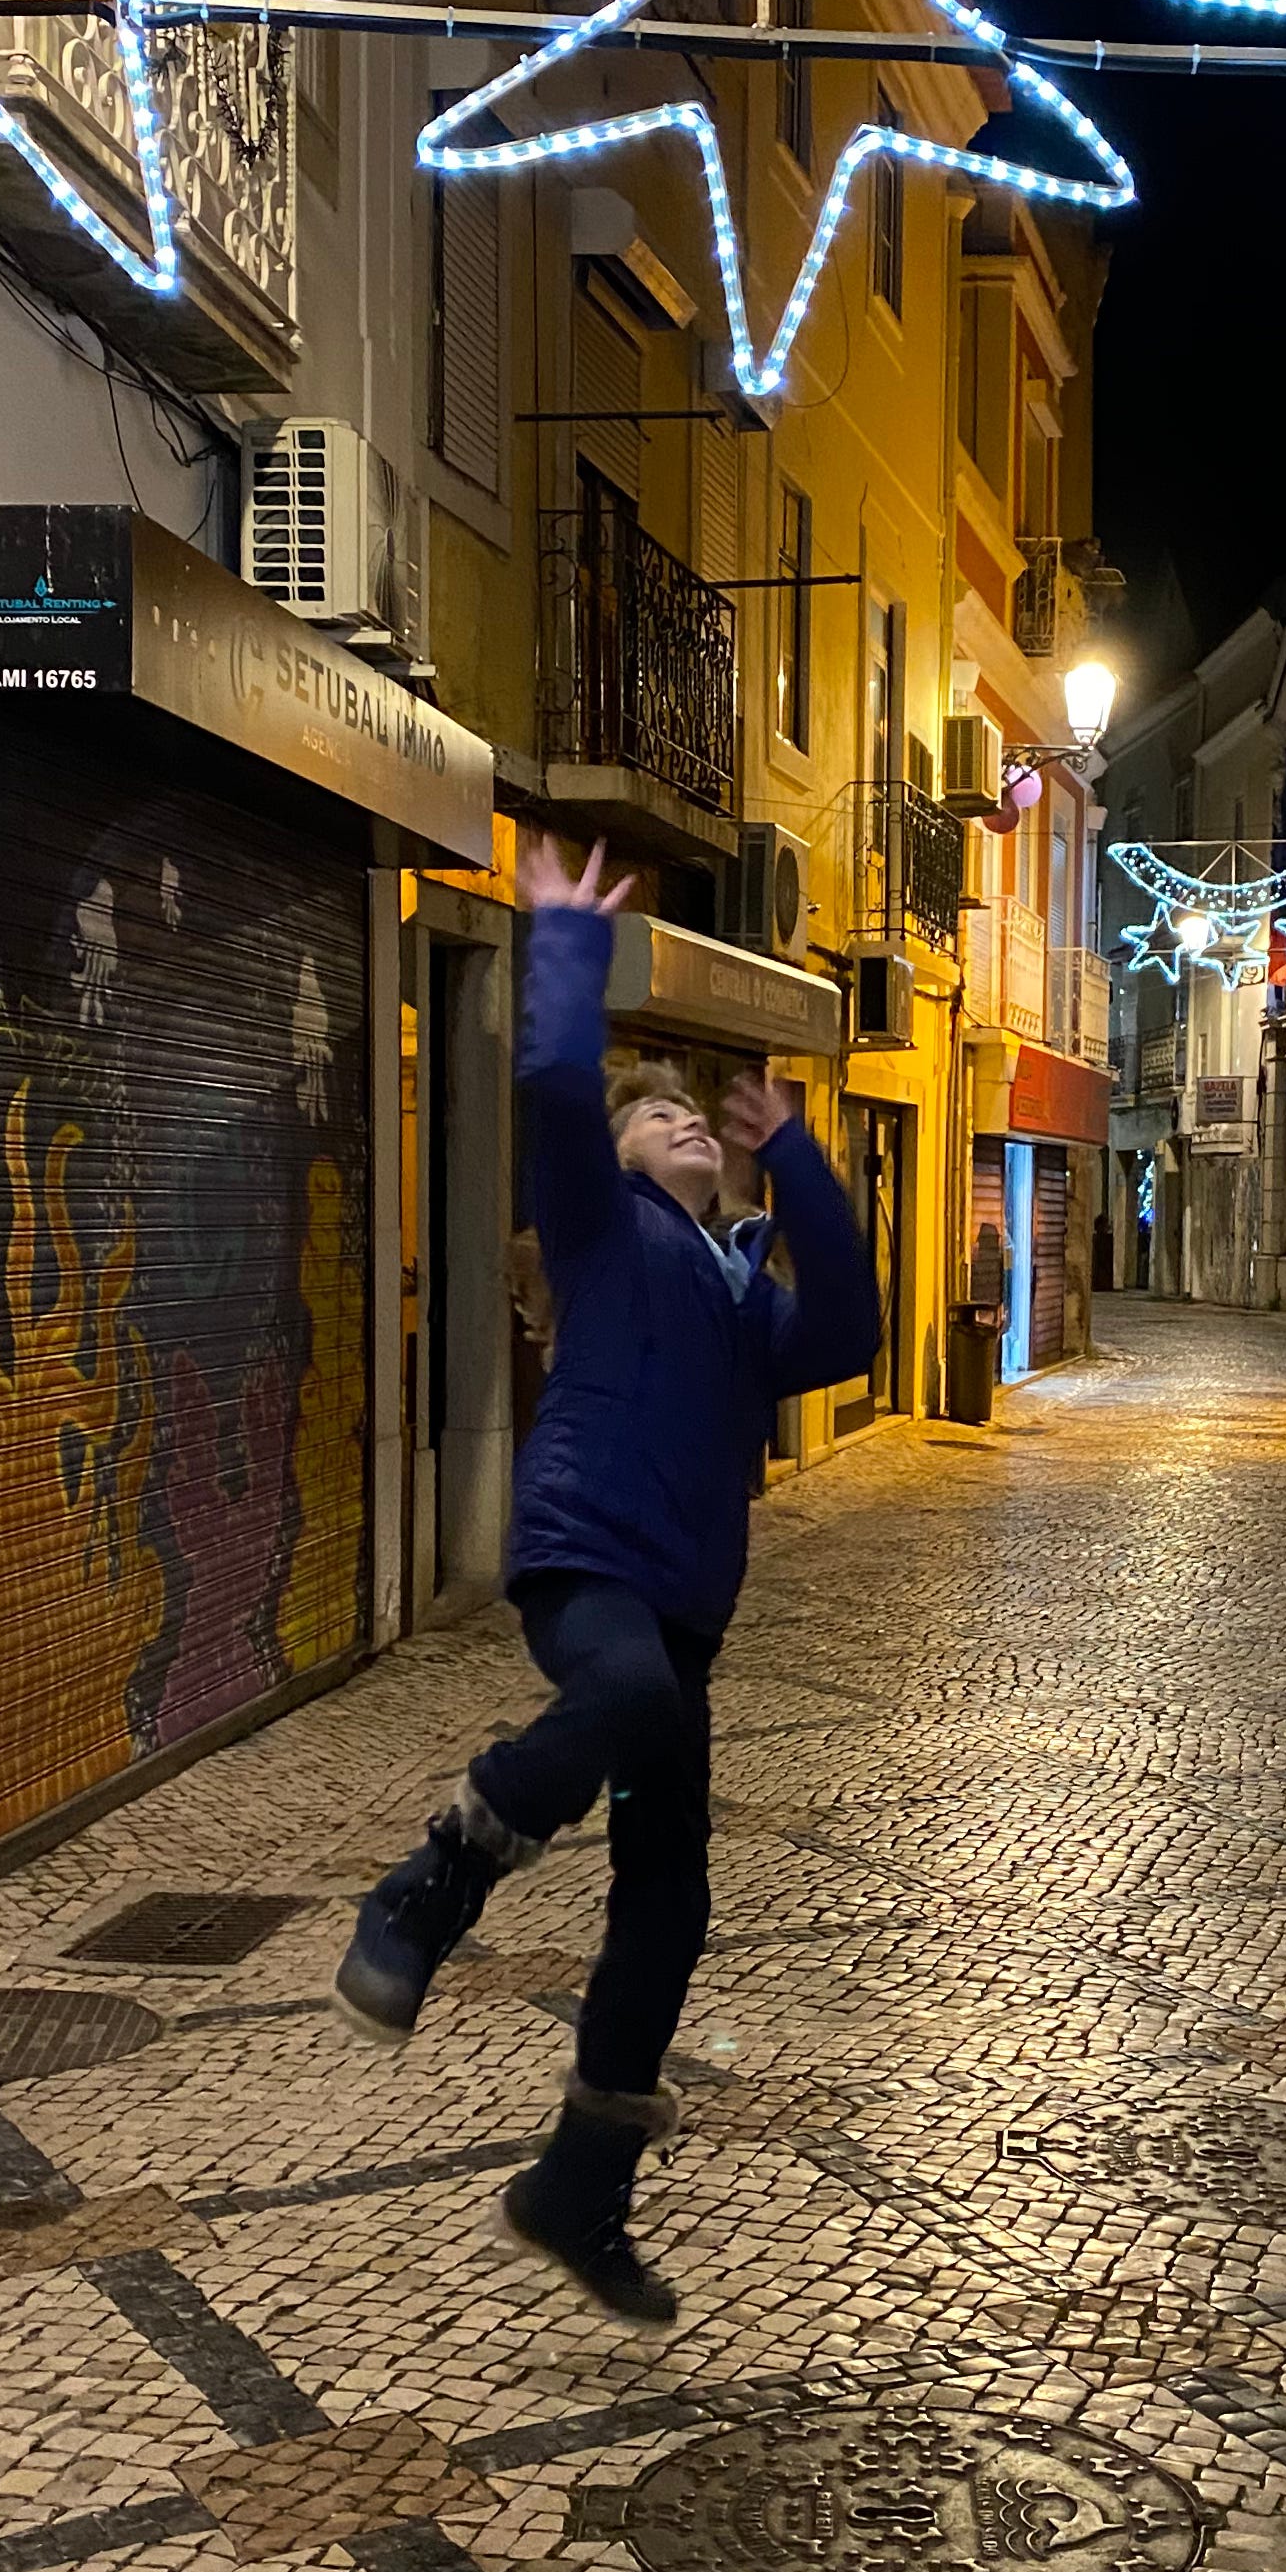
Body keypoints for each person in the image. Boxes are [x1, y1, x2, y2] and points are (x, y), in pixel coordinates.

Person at [333, 833, 880, 2324]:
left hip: (685, 1607)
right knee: (625, 1693)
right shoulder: (599, 1229)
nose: (681, 1119)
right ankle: (429, 1890)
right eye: (657, 1115)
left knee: (671, 1895)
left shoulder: (741, 1295)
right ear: (624, 1158)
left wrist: (801, 1162)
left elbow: (848, 1332)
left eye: (696, 1115)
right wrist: (565, 948)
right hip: (588, 1561)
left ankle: (579, 2184)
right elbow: (558, 1096)